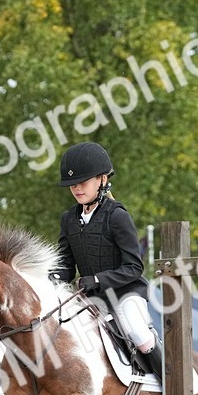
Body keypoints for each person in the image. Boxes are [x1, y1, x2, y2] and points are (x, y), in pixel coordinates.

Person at [52, 141, 162, 381]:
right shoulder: (69, 219)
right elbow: (66, 265)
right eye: (72, 184)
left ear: (101, 180)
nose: (77, 188)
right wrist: (53, 277)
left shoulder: (117, 216)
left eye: (83, 182)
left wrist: (97, 280)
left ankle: (173, 383)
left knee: (137, 331)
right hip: (90, 299)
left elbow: (134, 267)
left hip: (125, 293)